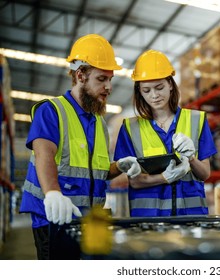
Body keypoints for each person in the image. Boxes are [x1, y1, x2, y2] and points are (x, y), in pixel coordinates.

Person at [19, 34, 141, 260]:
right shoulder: (52, 111)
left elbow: (96, 172)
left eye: (110, 79)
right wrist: (53, 193)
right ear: (81, 75)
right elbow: (44, 155)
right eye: (102, 79)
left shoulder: (98, 123)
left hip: (90, 220)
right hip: (55, 218)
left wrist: (120, 166)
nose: (109, 87)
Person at [114, 49, 217, 217]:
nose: (154, 95)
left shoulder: (196, 120)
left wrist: (191, 158)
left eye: (159, 87)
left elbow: (204, 174)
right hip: (149, 220)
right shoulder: (130, 128)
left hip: (191, 217)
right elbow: (134, 181)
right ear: (139, 91)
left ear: (170, 84)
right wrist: (165, 177)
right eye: (146, 90)